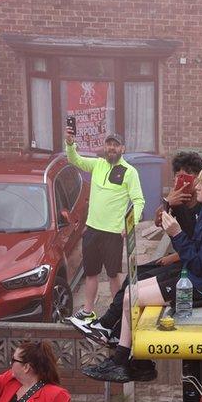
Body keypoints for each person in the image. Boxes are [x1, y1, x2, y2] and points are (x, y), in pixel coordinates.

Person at [82, 160, 202, 383]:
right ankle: (138, 363)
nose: (196, 186)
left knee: (132, 297)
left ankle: (123, 361)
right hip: (195, 276)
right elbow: (196, 252)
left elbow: (198, 263)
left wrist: (176, 233)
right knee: (132, 291)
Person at [69, 150, 202, 346]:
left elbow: (199, 248)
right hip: (183, 257)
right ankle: (110, 328)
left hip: (189, 266)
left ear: (198, 179)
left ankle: (108, 327)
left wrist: (174, 257)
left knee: (139, 282)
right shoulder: (177, 202)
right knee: (133, 275)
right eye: (177, 175)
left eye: (187, 175)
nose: (181, 179)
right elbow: (159, 222)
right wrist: (168, 202)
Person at [64, 131, 145, 322]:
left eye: (115, 145)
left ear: (122, 149)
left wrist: (131, 224)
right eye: (108, 144)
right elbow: (75, 159)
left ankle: (117, 313)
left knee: (113, 275)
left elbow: (139, 200)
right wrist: (69, 144)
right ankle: (87, 311)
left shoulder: (130, 172)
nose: (111, 148)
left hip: (113, 233)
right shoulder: (97, 164)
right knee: (91, 273)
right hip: (92, 230)